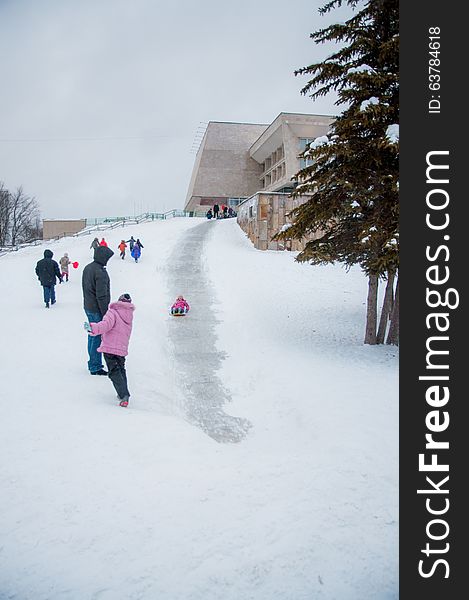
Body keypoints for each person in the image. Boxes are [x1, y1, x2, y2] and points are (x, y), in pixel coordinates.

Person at [84, 293, 135, 407]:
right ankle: (123, 392)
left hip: (110, 347)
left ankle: (124, 395)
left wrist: (92, 328)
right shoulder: (129, 315)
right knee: (121, 370)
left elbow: (105, 325)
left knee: (113, 372)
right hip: (121, 348)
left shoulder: (113, 312)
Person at [82, 244, 114, 375]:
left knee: (92, 335)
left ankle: (92, 363)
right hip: (96, 309)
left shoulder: (88, 268)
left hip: (88, 306)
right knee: (97, 337)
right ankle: (95, 366)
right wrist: (106, 313)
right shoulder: (100, 272)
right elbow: (101, 295)